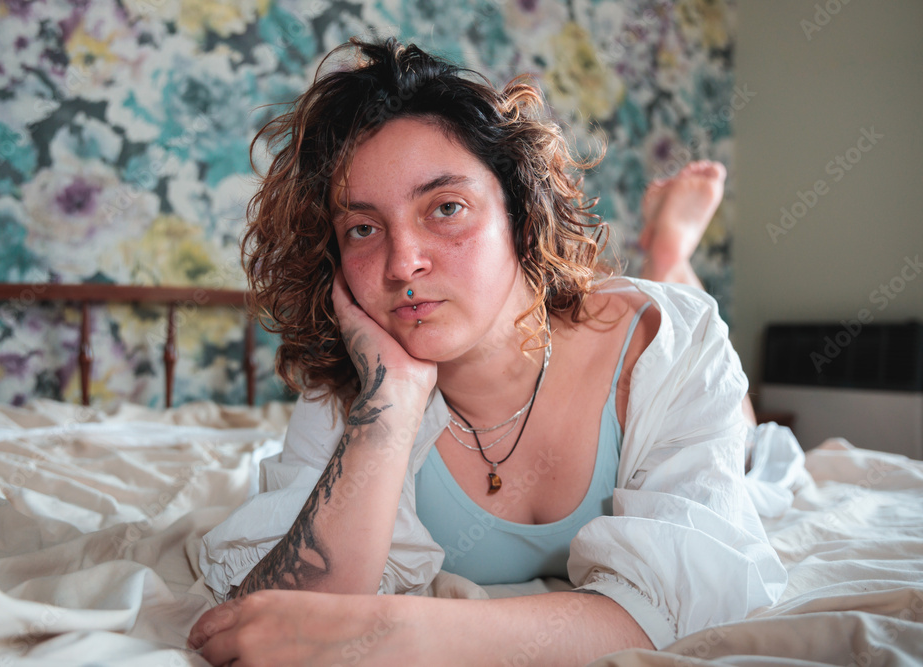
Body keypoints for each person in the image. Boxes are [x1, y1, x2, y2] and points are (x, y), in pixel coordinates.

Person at [188, 38, 785, 665]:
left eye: (446, 208)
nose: (402, 265)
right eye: (362, 228)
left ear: (520, 217)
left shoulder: (660, 344)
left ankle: (670, 257)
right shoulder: (355, 383)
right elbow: (276, 619)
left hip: (666, 361)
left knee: (745, 440)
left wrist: (395, 631)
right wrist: (392, 404)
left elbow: (684, 606)